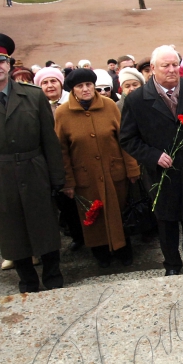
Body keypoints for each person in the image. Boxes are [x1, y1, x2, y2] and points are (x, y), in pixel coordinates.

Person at [0, 33, 65, 293]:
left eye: (1, 61)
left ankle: (53, 277)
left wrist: (57, 177)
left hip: (35, 168)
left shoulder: (33, 95)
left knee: (45, 227)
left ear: (9, 65)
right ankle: (27, 280)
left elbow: (49, 140)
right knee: (12, 232)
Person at [121, 46, 183, 276]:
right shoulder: (136, 100)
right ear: (153, 68)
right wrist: (153, 156)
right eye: (165, 66)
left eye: (175, 64)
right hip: (160, 173)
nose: (172, 70)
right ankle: (172, 264)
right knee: (167, 220)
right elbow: (127, 139)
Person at [56, 68, 140, 268]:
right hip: (85, 176)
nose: (85, 89)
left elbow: (124, 139)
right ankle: (100, 251)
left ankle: (122, 248)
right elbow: (62, 150)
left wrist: (132, 168)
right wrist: (68, 181)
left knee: (118, 211)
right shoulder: (62, 113)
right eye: (80, 86)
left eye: (88, 85)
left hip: (114, 172)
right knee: (93, 215)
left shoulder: (109, 106)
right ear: (72, 90)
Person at [36, 67, 83, 252]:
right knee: (65, 203)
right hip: (51, 162)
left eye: (53, 81)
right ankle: (76, 235)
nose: (50, 86)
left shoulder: (72, 101)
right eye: (45, 83)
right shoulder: (38, 105)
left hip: (75, 158)